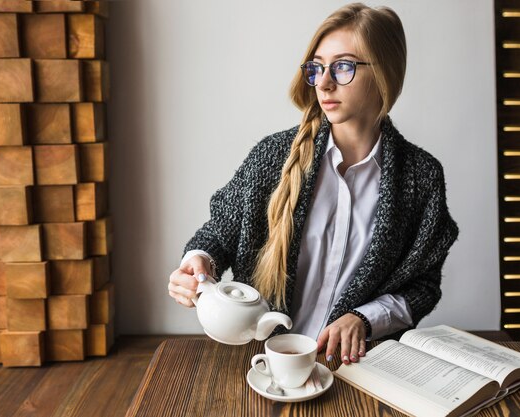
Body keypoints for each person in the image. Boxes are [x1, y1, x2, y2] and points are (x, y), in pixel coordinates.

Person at [168, 2, 458, 366]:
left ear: (385, 73)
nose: (323, 82)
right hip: (261, 366)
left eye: (343, 66)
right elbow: (220, 232)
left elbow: (423, 287)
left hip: (359, 371)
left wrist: (365, 319)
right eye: (317, 67)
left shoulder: (421, 178)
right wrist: (197, 262)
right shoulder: (273, 156)